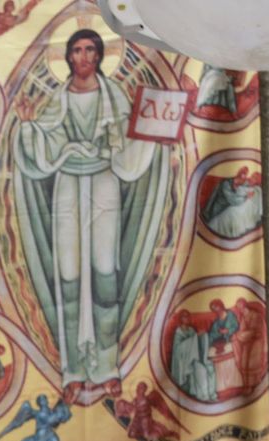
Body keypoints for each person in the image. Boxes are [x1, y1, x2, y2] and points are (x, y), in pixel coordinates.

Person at [11, 29, 171, 401]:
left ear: (100, 55)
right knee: (67, 275)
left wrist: (153, 129)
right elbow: (44, 140)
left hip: (103, 182)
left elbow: (133, 141)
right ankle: (73, 372)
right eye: (77, 50)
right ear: (68, 57)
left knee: (104, 273)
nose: (84, 57)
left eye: (91, 50)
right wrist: (28, 126)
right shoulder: (59, 99)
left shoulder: (114, 96)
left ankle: (106, 367)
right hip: (68, 184)